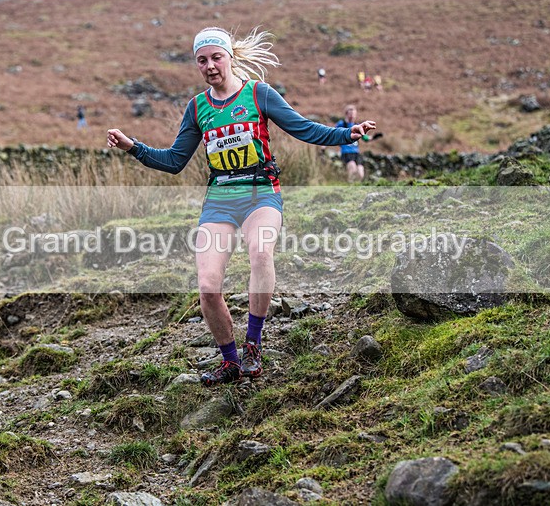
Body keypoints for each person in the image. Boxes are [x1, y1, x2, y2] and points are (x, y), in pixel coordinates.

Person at [107, 27, 376, 386]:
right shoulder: (198, 107)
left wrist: (346, 134)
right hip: (220, 200)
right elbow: (174, 161)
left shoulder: (258, 94)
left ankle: (253, 346)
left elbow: (303, 128)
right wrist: (132, 146)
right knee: (207, 286)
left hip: (261, 192)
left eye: (216, 57)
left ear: (229, 58)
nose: (210, 66)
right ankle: (231, 361)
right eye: (201, 60)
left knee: (261, 254)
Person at [336, 105, 366, 183]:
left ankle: (357, 188)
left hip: (356, 152)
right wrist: (323, 146)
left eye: (354, 113)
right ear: (346, 114)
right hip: (346, 152)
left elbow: (365, 138)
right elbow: (333, 135)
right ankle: (349, 187)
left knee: (360, 173)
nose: (352, 115)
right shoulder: (341, 124)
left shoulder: (357, 125)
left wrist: (373, 137)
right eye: (350, 113)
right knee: (352, 168)